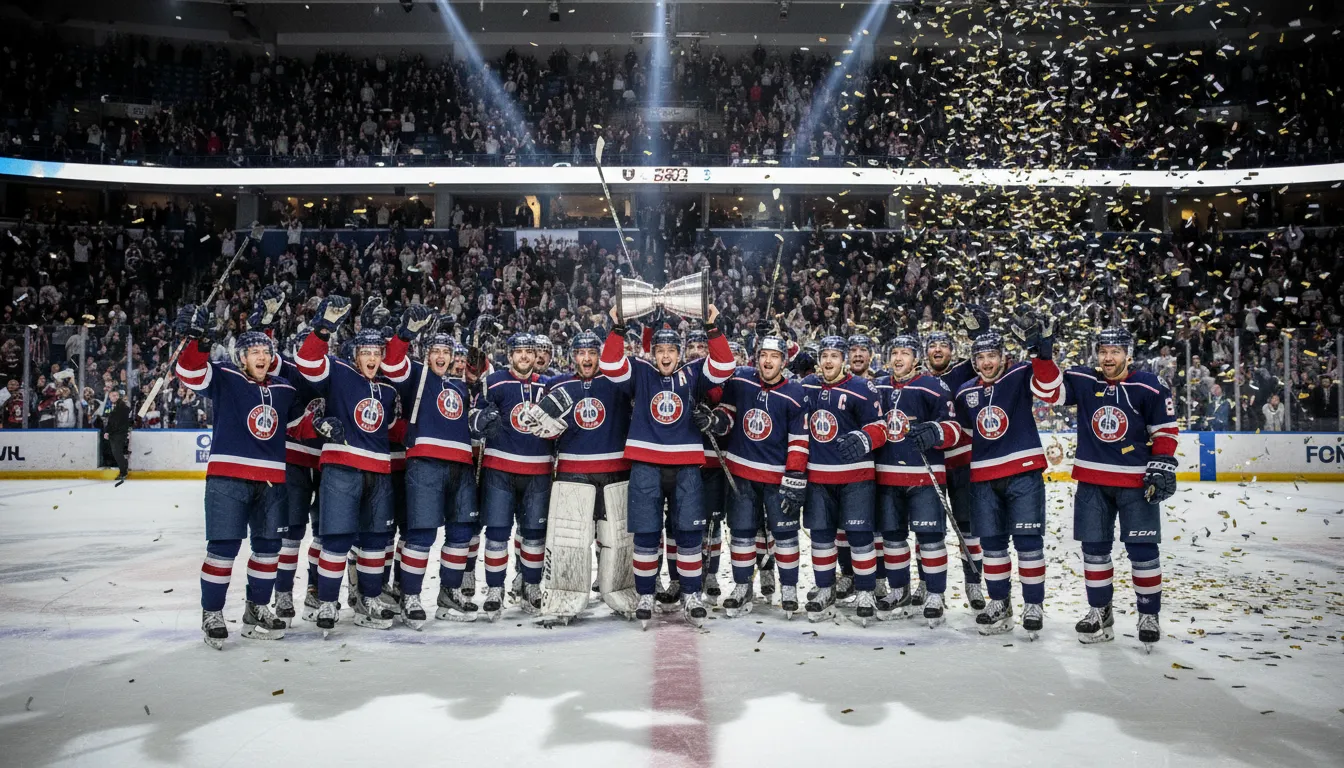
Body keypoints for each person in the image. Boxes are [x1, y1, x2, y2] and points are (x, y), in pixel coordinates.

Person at [599, 303, 734, 628]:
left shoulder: (693, 373)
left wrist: (713, 328)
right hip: (646, 464)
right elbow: (609, 364)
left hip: (687, 466)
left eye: (671, 350)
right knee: (646, 535)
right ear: (653, 352)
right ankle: (646, 593)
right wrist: (617, 328)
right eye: (659, 350)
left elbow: (725, 365)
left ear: (679, 352)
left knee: (688, 534)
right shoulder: (641, 372)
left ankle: (690, 593)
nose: (665, 356)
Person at [173, 305, 293, 649]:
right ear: (241, 357)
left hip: (272, 481)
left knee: (269, 549)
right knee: (224, 548)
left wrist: (321, 424)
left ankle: (257, 608)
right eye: (254, 351)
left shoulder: (284, 387)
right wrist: (197, 340)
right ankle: (212, 612)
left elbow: (297, 422)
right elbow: (191, 372)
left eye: (266, 351)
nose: (261, 356)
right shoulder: (225, 376)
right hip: (228, 478)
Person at [294, 295, 405, 634]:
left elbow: (393, 430)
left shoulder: (388, 389)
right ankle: (327, 600)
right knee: (337, 541)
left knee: (374, 541)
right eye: (366, 353)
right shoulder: (339, 373)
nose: (372, 358)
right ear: (355, 354)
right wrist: (324, 327)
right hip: (341, 469)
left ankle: (368, 598)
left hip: (380, 473)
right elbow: (309, 362)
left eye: (377, 353)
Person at [1060, 328, 1176, 650]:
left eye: (1115, 351)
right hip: (1092, 480)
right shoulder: (1085, 382)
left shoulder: (1149, 385)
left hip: (1136, 481)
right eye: (1103, 351)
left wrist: (1162, 462)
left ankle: (1148, 614)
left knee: (1143, 552)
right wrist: (1043, 355)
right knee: (1094, 551)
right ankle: (1100, 610)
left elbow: (1165, 430)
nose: (1108, 358)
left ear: (1128, 353)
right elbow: (1050, 391)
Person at [952, 313, 1063, 638]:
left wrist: (1042, 355)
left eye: (992, 356)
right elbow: (962, 431)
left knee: (1028, 543)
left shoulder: (1020, 373)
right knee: (993, 545)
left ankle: (1033, 604)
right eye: (981, 357)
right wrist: (932, 432)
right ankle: (1000, 602)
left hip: (1023, 474)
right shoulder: (964, 393)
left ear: (1004, 356)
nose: (986, 363)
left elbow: (1050, 388)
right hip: (984, 478)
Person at [380, 315, 481, 625]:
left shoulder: (461, 388)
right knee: (421, 533)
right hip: (425, 464)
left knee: (462, 531)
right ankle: (410, 594)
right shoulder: (417, 376)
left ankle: (449, 593)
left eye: (447, 352)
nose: (442, 356)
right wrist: (405, 333)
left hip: (461, 466)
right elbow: (393, 363)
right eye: (436, 350)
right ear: (427, 353)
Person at [708, 325, 809, 619]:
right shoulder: (741, 381)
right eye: (763, 355)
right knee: (740, 533)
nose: (768, 361)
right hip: (741, 475)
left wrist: (794, 477)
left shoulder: (795, 393)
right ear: (756, 358)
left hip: (777, 479)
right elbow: (726, 416)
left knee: (786, 534)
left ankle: (788, 587)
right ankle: (742, 587)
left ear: (783, 361)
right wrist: (713, 421)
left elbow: (799, 441)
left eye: (774, 356)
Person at [874, 333, 964, 626]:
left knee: (930, 539)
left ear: (916, 359)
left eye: (905, 353)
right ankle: (899, 590)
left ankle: (935, 593)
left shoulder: (932, 385)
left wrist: (936, 433)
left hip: (925, 477)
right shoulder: (878, 386)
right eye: (894, 352)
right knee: (893, 538)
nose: (898, 358)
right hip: (887, 477)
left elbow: (954, 427)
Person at [800, 336, 889, 625]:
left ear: (844, 360)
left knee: (860, 537)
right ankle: (825, 589)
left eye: (834, 356)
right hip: (818, 476)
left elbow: (880, 427)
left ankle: (864, 591)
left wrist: (865, 437)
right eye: (824, 355)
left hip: (856, 477)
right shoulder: (808, 387)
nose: (828, 361)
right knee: (823, 537)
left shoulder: (863, 388)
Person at [471, 332, 553, 619]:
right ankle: (495, 589)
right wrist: (479, 421)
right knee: (496, 534)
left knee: (533, 534)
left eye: (530, 351)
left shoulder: (548, 384)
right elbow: (474, 417)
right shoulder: (493, 383)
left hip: (538, 472)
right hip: (499, 471)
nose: (525, 356)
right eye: (519, 351)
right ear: (510, 354)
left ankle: (532, 586)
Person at [923, 321, 986, 612]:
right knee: (927, 529)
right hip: (929, 466)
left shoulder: (965, 371)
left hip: (962, 464)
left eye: (943, 345)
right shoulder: (918, 379)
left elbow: (987, 359)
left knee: (969, 528)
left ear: (953, 350)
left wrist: (979, 334)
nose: (938, 349)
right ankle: (927, 583)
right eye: (932, 345)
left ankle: (973, 582)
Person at [104, 389, 132, 483]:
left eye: (116, 395)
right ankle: (124, 468)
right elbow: (111, 421)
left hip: (119, 433)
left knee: (117, 452)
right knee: (116, 452)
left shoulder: (122, 406)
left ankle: (123, 471)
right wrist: (107, 431)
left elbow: (119, 420)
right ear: (110, 397)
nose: (115, 397)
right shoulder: (112, 405)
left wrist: (110, 431)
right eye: (113, 395)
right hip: (115, 433)